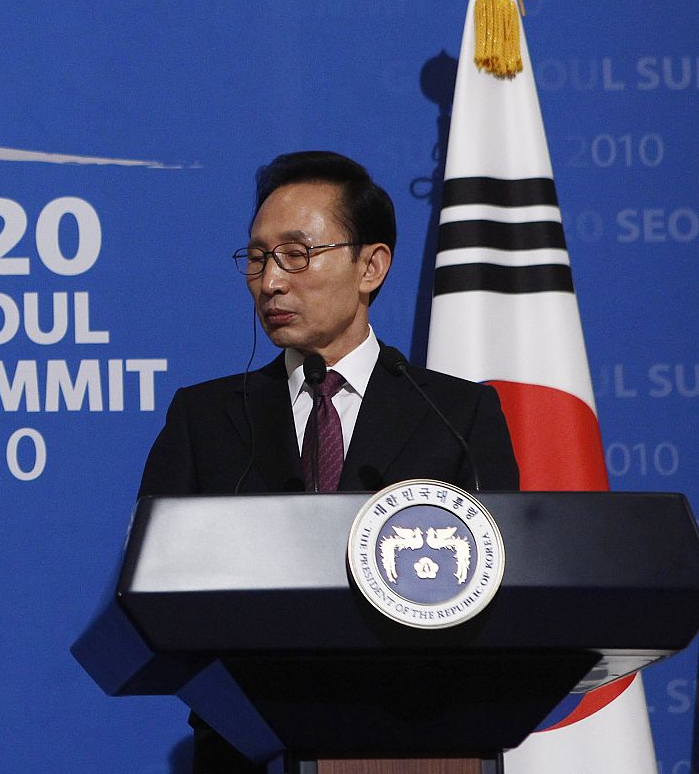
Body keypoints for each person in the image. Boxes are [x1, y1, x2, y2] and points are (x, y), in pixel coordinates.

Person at [136, 150, 519, 773]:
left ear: (371, 265)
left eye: (296, 254)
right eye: (257, 258)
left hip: (423, 743)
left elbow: (501, 595)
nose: (270, 282)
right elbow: (152, 588)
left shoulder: (458, 416)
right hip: (245, 751)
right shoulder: (204, 419)